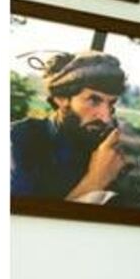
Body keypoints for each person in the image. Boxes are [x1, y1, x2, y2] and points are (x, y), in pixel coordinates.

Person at [11, 50, 128, 204]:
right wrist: (96, 180)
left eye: (111, 104)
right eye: (94, 100)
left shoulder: (102, 147)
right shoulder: (18, 140)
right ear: (61, 98)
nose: (106, 117)